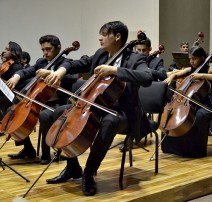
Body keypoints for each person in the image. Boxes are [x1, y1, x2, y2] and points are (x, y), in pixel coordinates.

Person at [42, 21, 152, 196]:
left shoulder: (134, 58)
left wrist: (115, 70)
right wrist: (60, 71)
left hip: (123, 113)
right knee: (56, 112)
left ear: (117, 37)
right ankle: (73, 167)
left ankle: (89, 172)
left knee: (109, 121)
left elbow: (147, 77)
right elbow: (77, 63)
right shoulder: (101, 54)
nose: (100, 38)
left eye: (104, 34)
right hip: (95, 105)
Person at [6, 35, 78, 164]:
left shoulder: (67, 63)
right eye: (43, 50)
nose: (45, 53)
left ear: (58, 48)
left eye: (48, 49)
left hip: (58, 104)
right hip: (39, 101)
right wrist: (17, 76)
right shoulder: (41, 62)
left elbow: (72, 78)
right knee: (12, 110)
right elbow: (28, 70)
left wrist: (52, 73)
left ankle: (46, 154)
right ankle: (28, 149)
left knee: (44, 116)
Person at [161, 46, 212, 157]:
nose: (191, 61)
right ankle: (172, 148)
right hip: (189, 102)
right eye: (190, 59)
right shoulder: (191, 68)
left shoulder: (209, 69)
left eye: (194, 59)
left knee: (199, 117)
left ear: (202, 58)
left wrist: (202, 75)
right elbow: (177, 73)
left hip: (205, 105)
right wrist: (172, 77)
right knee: (170, 115)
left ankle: (196, 151)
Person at [0, 42, 24, 121]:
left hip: (10, 96)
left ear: (14, 52)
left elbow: (10, 87)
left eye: (7, 49)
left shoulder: (17, 67)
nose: (4, 51)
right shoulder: (6, 65)